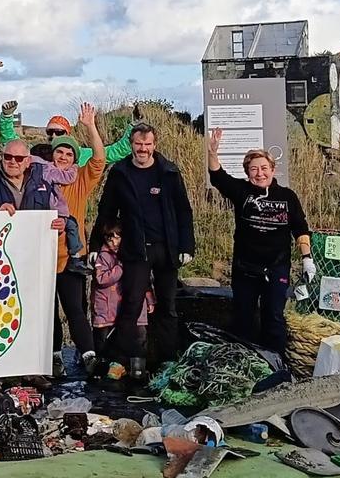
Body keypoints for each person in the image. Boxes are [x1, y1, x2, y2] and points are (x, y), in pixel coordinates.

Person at [90, 123, 195, 368]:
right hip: (136, 248)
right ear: (131, 145)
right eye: (139, 144)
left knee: (167, 305)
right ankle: (129, 359)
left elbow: (184, 211)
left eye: (148, 144)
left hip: (167, 248)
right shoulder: (120, 172)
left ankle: (167, 360)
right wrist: (96, 244)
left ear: (154, 145)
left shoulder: (169, 171)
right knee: (132, 302)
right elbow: (106, 210)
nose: (143, 149)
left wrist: (187, 246)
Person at [208, 129, 313, 354]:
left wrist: (307, 258)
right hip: (245, 268)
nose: (260, 173)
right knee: (244, 317)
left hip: (276, 268)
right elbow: (217, 176)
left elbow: (301, 228)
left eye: (264, 168)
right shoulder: (242, 191)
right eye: (254, 169)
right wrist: (212, 152)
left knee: (273, 317)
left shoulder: (287, 196)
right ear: (247, 173)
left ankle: (276, 364)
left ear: (273, 170)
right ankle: (246, 361)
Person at [48, 103, 106, 368]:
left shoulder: (79, 180)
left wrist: (90, 127)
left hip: (71, 256)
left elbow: (99, 160)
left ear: (74, 159)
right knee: (47, 311)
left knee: (74, 308)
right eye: (58, 152)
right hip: (43, 255)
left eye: (68, 154)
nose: (62, 157)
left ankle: (88, 356)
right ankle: (54, 357)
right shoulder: (38, 178)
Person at [0, 100, 134, 168]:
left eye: (59, 132)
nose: (54, 136)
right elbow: (13, 144)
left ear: (68, 134)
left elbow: (114, 152)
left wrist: (133, 128)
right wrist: (7, 116)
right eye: (49, 132)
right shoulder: (38, 154)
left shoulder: (82, 155)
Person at [91, 220, 154, 356]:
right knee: (104, 341)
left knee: (139, 337)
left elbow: (143, 279)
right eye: (110, 240)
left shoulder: (135, 254)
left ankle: (137, 366)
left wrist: (149, 297)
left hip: (130, 307)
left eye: (117, 239)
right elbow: (101, 279)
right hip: (106, 309)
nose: (114, 244)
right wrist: (119, 267)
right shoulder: (102, 256)